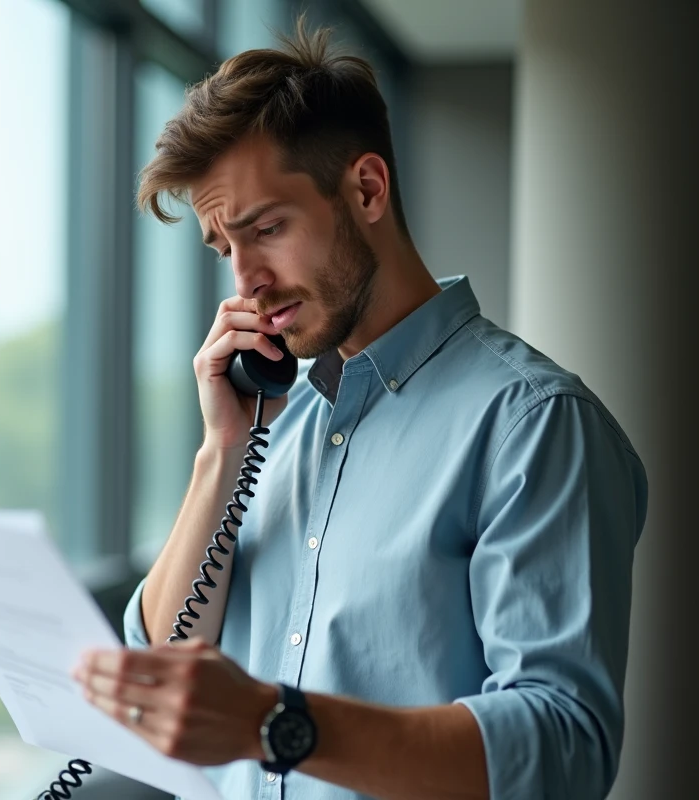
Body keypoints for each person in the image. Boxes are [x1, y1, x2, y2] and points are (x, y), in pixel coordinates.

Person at [71, 16, 647, 800]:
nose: (247, 282)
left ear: (367, 189)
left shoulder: (531, 423)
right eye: (224, 250)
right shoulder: (269, 425)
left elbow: (562, 747)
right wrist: (221, 454)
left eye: (267, 229)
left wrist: (277, 725)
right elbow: (163, 661)